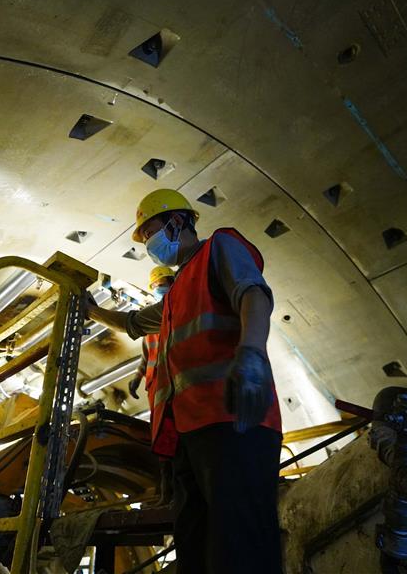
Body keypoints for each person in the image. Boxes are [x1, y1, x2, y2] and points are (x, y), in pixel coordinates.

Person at [88, 189, 283, 574]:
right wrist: (92, 311)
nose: (149, 245)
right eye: (144, 240)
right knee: (195, 542)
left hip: (234, 417)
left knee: (239, 540)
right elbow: (133, 323)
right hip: (190, 432)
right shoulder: (177, 289)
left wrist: (252, 352)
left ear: (178, 222)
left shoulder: (220, 248)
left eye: (151, 233)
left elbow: (253, 294)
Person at [128, 266, 176, 506]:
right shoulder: (153, 315)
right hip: (155, 388)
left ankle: (173, 495)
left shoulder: (179, 309)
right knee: (161, 443)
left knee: (173, 442)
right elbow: (147, 354)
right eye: (156, 286)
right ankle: (166, 495)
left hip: (173, 386)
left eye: (162, 283)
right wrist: (137, 377)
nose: (159, 288)